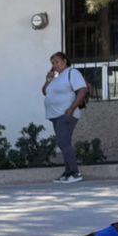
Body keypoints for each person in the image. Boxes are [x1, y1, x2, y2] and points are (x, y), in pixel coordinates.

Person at [40, 51, 89, 183]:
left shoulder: (71, 73)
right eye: (52, 63)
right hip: (55, 115)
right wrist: (48, 81)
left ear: (65, 61)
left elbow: (82, 90)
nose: (55, 65)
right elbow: (45, 92)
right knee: (63, 143)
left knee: (63, 143)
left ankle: (75, 172)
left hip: (66, 114)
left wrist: (72, 108)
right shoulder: (56, 78)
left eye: (57, 61)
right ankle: (68, 173)